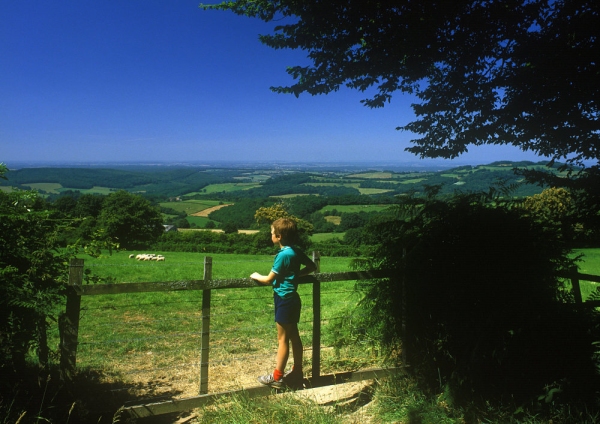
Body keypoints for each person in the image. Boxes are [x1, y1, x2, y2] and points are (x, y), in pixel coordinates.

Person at [250, 218, 317, 388]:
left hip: (283, 299)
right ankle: (297, 372)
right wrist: (295, 275)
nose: (270, 235)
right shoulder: (296, 251)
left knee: (282, 340)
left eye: (272, 233)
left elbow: (268, 280)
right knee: (294, 336)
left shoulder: (282, 255)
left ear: (278, 236)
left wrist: (255, 275)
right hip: (293, 299)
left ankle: (277, 377)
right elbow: (311, 267)